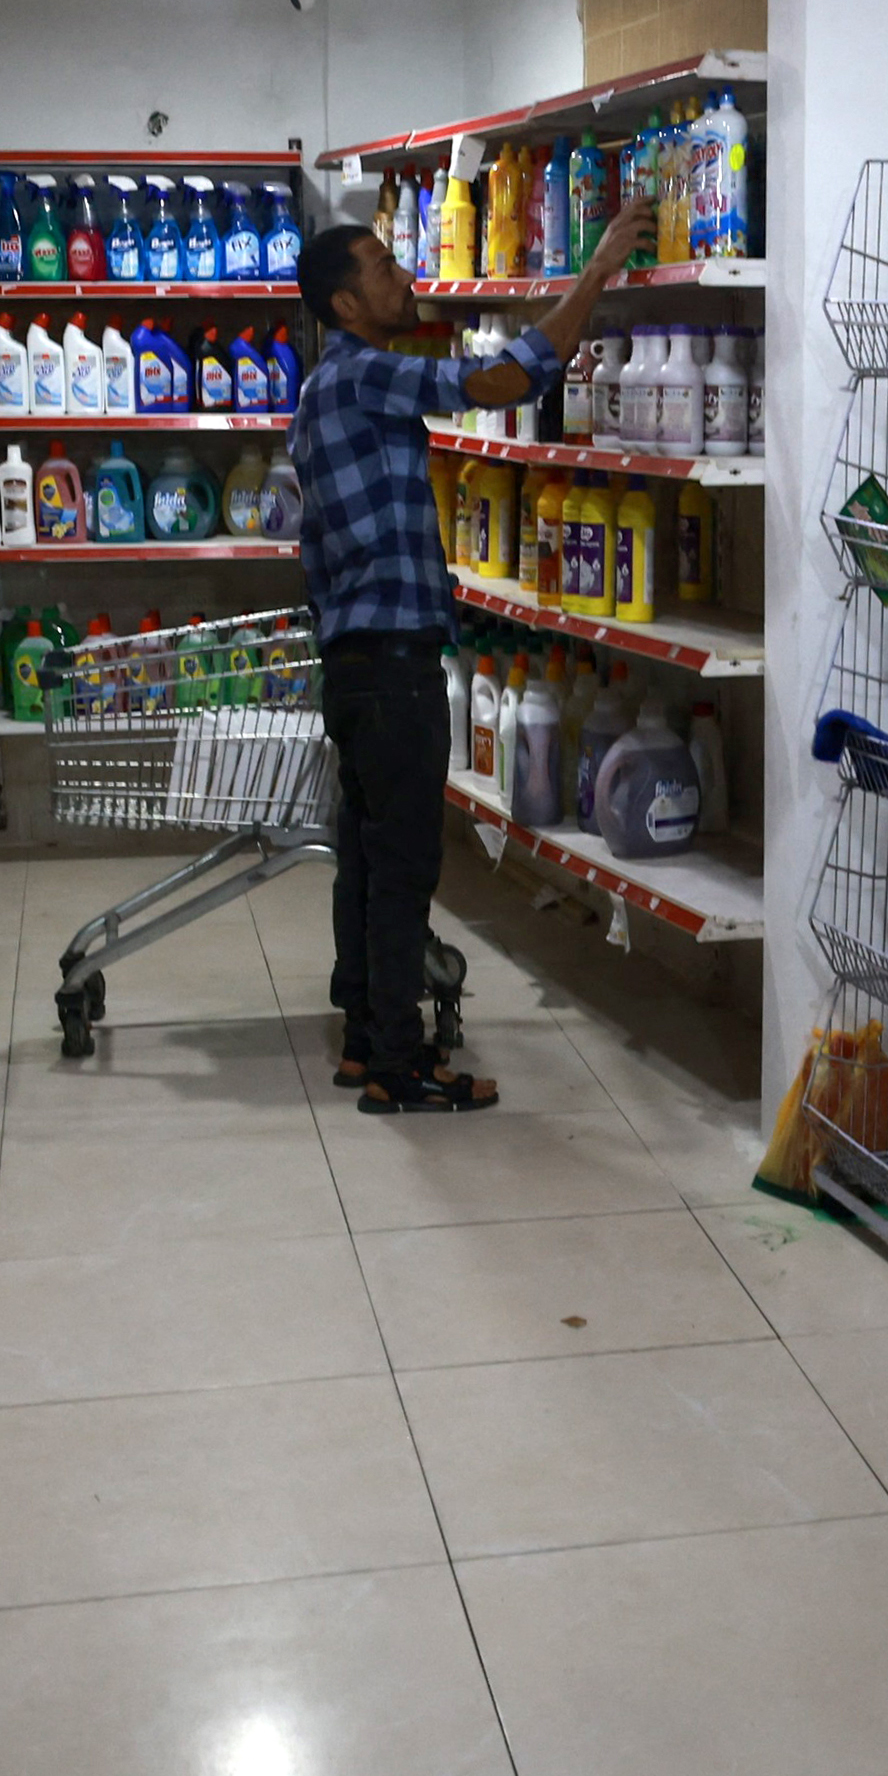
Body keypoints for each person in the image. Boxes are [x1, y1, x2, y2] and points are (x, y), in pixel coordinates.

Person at [287, 184, 650, 1110]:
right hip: (394, 665)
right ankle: (402, 1069)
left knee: (368, 861)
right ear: (344, 306)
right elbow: (501, 381)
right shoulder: (361, 372)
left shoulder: (325, 390)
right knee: (403, 866)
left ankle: (367, 1042)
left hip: (358, 662)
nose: (403, 275)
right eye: (381, 269)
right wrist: (598, 270)